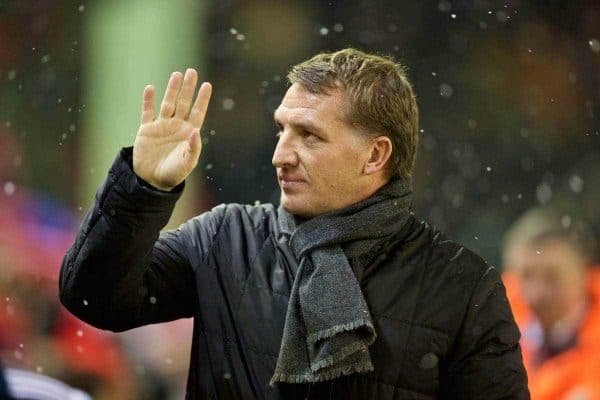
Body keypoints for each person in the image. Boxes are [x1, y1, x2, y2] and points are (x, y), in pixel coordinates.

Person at [59, 48, 529, 399]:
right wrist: (142, 189)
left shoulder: (463, 286)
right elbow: (95, 299)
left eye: (309, 135)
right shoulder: (226, 237)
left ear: (375, 154)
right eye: (282, 129)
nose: (281, 154)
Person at [503, 207, 600, 400]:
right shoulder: (493, 313)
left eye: (552, 277)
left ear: (583, 271)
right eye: (526, 276)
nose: (538, 292)